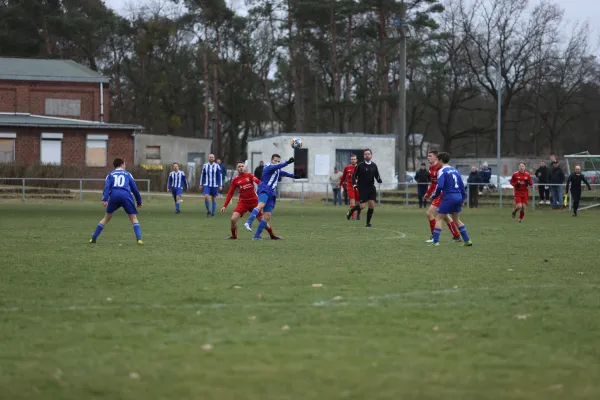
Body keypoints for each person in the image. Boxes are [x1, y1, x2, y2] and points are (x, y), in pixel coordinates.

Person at [220, 161, 281, 239]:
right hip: (243, 202)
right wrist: (224, 206)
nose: (241, 167)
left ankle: (272, 235)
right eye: (239, 166)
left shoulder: (249, 175)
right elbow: (230, 193)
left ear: (245, 167)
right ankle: (234, 236)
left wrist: (265, 188)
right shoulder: (235, 180)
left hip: (254, 202)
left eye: (242, 166)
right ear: (237, 169)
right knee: (233, 219)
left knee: (262, 220)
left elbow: (258, 182)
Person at [89, 157, 143, 245]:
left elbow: (106, 188)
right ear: (122, 165)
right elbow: (135, 189)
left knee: (106, 218)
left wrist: (105, 199)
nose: (125, 165)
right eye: (125, 164)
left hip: (114, 196)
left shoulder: (110, 174)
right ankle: (139, 239)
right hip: (126, 196)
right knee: (133, 218)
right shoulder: (128, 174)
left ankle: (94, 238)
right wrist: (139, 201)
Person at [244, 154, 295, 240]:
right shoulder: (268, 166)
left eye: (278, 161)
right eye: (275, 161)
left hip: (271, 193)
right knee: (261, 204)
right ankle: (248, 222)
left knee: (267, 216)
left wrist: (296, 175)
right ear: (272, 160)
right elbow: (278, 166)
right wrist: (287, 162)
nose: (277, 163)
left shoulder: (277, 170)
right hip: (264, 188)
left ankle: (256, 236)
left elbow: (286, 173)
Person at [430, 152, 472, 247]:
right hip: (458, 196)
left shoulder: (442, 171)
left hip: (449, 196)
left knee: (438, 218)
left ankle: (435, 242)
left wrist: (434, 196)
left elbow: (440, 185)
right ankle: (467, 240)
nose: (437, 163)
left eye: (437, 161)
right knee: (456, 219)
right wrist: (462, 199)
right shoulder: (455, 170)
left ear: (440, 160)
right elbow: (461, 186)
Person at [423, 151, 461, 243]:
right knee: (445, 216)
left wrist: (434, 194)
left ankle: (434, 237)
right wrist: (428, 193)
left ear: (436, 158)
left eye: (430, 156)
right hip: (439, 193)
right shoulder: (431, 168)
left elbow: (440, 184)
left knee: (429, 214)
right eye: (427, 156)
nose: (428, 158)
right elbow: (433, 183)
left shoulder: (439, 168)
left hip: (442, 194)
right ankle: (456, 236)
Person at [345, 149, 382, 227]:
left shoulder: (374, 165)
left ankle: (368, 223)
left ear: (371, 155)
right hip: (363, 188)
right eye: (365, 154)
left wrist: (379, 180)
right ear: (364, 156)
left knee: (371, 205)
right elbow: (354, 176)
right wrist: (354, 185)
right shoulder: (360, 165)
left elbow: (377, 175)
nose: (367, 155)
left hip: (371, 187)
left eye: (368, 154)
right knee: (362, 206)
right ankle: (351, 210)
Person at [340, 155, 361, 219]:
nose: (353, 160)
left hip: (358, 187)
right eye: (352, 159)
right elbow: (343, 177)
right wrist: (340, 184)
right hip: (350, 186)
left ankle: (358, 215)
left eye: (354, 159)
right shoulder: (347, 167)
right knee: (352, 202)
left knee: (358, 203)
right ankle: (352, 217)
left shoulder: (360, 167)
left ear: (356, 160)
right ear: (350, 160)